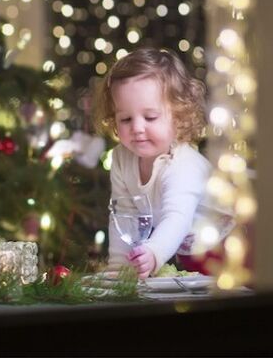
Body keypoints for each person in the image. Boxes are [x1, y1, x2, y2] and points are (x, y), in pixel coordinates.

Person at [93, 47, 235, 278]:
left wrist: (154, 251)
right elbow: (124, 215)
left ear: (179, 116)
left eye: (150, 117)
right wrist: (117, 268)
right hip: (181, 247)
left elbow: (176, 217)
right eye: (125, 118)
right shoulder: (121, 158)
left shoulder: (184, 165)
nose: (137, 128)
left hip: (222, 245)